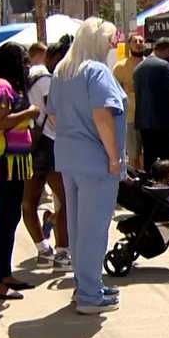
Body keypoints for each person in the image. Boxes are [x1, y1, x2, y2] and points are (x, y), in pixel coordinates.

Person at [46, 18, 125, 315]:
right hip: (96, 161)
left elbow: (52, 116)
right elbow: (103, 116)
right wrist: (114, 157)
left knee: (79, 226)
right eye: (110, 40)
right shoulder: (97, 72)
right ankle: (90, 295)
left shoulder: (63, 72)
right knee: (94, 229)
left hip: (69, 157)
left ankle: (85, 284)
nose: (112, 45)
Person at [0, 42, 39, 301]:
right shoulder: (1, 87)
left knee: (10, 218)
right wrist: (30, 112)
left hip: (10, 161)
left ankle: (5, 275)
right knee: (4, 220)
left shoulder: (2, 87)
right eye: (24, 61)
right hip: (4, 162)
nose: (27, 66)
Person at [22, 38, 71, 272]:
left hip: (29, 144)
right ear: (53, 58)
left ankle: (43, 250)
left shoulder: (24, 80)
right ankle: (63, 253)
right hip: (49, 144)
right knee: (66, 200)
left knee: (29, 202)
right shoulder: (46, 81)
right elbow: (54, 115)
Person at [133, 37, 169, 168]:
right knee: (167, 164)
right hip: (164, 123)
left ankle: (150, 187)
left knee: (150, 161)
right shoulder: (164, 66)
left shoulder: (138, 68)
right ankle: (164, 187)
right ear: (168, 50)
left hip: (144, 123)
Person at [112, 35, 147, 170]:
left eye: (141, 41)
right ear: (129, 44)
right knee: (133, 155)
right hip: (130, 118)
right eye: (135, 41)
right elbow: (114, 92)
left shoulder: (150, 64)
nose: (138, 43)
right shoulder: (120, 67)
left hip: (149, 118)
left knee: (148, 155)